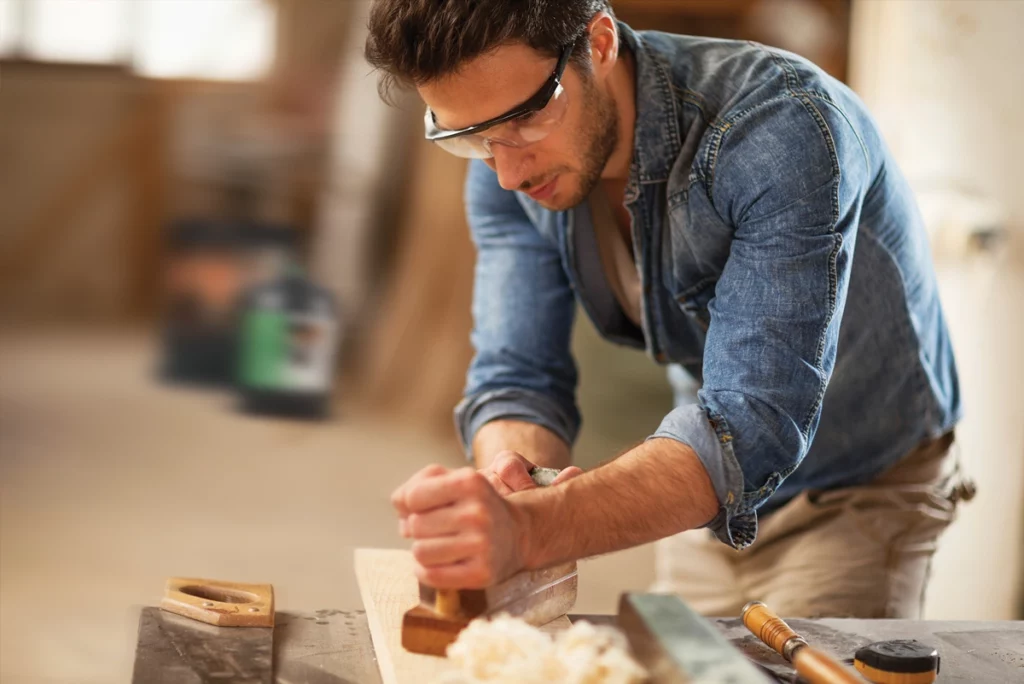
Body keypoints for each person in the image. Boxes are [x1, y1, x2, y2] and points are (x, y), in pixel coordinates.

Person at [365, 0, 972, 618]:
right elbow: (517, 375)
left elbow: (751, 423)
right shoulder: (504, 161)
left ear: (598, 43)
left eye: (525, 119)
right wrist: (510, 482)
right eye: (470, 138)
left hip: (858, 487)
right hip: (696, 482)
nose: (507, 173)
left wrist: (533, 530)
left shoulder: (784, 129)